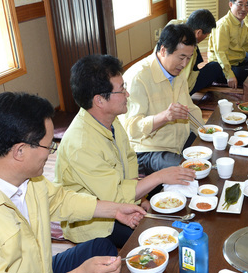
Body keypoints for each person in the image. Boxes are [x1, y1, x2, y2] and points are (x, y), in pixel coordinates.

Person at [0, 92, 146, 273]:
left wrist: (116, 209)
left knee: (101, 248)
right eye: (49, 146)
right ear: (19, 151)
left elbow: (61, 199)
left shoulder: (29, 180)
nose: (51, 153)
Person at [55, 55, 195, 247]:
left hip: (119, 200)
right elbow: (114, 199)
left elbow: (129, 159)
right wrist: (159, 177)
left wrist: (142, 198)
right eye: (121, 89)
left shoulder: (110, 119)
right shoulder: (81, 144)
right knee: (165, 238)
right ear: (100, 101)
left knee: (174, 216)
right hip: (96, 223)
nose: (127, 94)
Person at [121, 23, 204, 175]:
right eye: (181, 57)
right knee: (187, 171)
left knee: (209, 155)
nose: (184, 64)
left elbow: (190, 109)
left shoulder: (176, 72)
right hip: (147, 150)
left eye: (189, 58)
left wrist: (207, 133)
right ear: (164, 50)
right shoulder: (138, 78)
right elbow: (131, 129)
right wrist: (164, 117)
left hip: (177, 144)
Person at [208, 0, 248, 89]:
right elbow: (220, 53)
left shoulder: (242, 24)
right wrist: (229, 75)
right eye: (240, 4)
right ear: (231, 4)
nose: (244, 9)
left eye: (247, 5)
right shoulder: (223, 25)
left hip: (238, 63)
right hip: (222, 68)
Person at [167, 9, 224, 95]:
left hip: (165, 81)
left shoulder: (174, 24)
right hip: (179, 90)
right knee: (216, 66)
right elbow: (183, 79)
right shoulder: (188, 48)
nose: (206, 37)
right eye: (206, 35)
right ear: (199, 32)